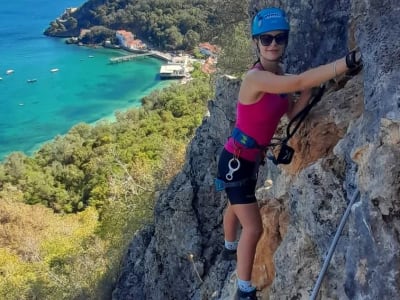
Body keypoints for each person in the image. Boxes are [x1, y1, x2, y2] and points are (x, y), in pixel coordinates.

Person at [215, 7, 362, 300]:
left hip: (249, 159)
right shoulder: (254, 79)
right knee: (254, 227)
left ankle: (228, 245)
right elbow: (296, 83)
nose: (272, 44)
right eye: (266, 39)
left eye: (279, 38)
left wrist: (308, 92)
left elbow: (292, 113)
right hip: (236, 161)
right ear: (256, 43)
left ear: (285, 41)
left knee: (236, 202)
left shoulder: (279, 74)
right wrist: (346, 63)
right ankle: (243, 290)